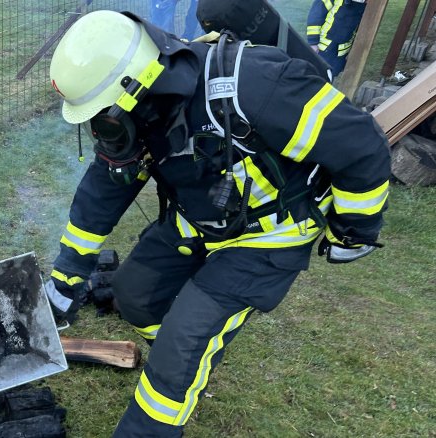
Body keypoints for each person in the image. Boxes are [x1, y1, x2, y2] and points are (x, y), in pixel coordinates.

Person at [45, 10, 389, 437]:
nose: (104, 129)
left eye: (105, 117)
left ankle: (174, 377)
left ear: (138, 86)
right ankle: (178, 354)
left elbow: (361, 146)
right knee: (134, 297)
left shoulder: (256, 85)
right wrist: (66, 278)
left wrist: (355, 230)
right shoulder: (141, 115)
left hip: (267, 238)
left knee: (181, 348)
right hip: (199, 219)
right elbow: (102, 194)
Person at [307, 0, 367, 77]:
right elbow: (316, 15)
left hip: (342, 50)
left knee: (331, 76)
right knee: (316, 75)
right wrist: (313, 42)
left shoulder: (363, 3)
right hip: (324, 46)